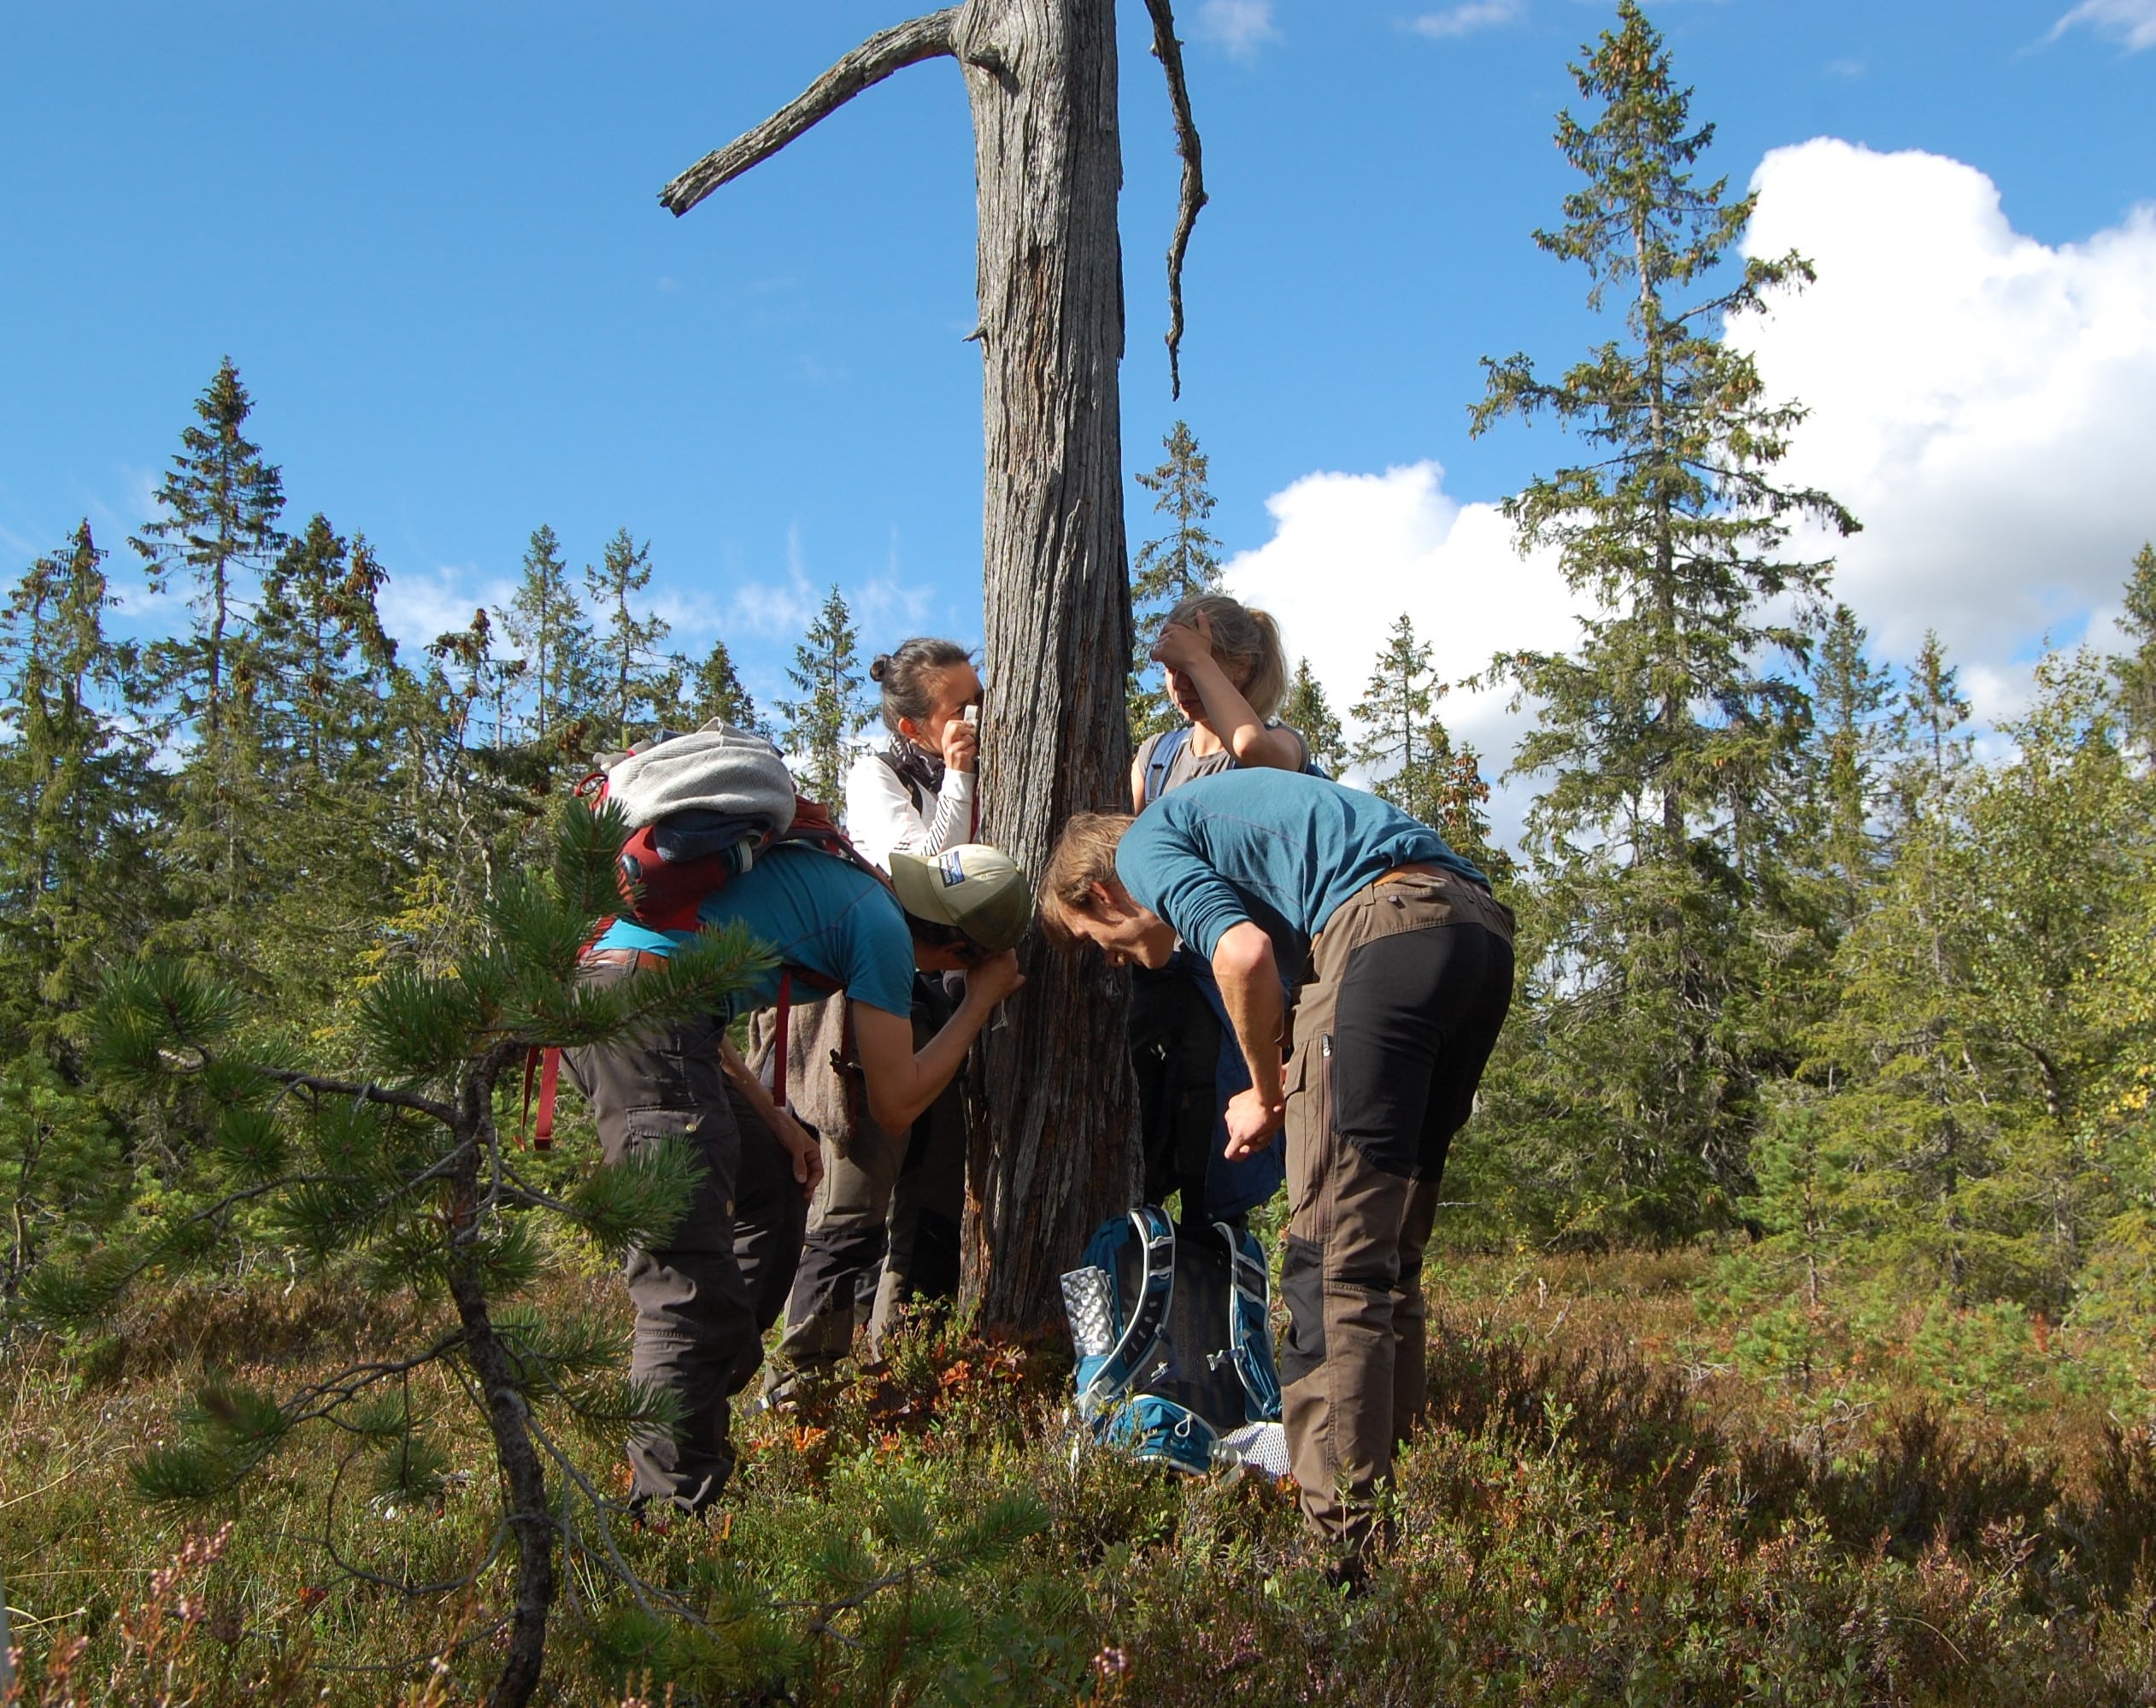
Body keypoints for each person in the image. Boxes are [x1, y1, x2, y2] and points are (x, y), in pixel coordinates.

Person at [1038, 770, 1515, 1575]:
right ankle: (1390, 1517)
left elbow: (1245, 955)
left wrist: (1265, 1091)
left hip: (1384, 932)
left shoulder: (1151, 843)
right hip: (1476, 934)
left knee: (1332, 1270)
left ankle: (1342, 1561)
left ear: (1100, 890)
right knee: (1389, 1258)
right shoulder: (1233, 842)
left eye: (1095, 941)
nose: (1114, 962)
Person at [567, 822, 1029, 1515]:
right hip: (639, 1016)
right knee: (683, 1282)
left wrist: (775, 1118)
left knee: (775, 1189)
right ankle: (668, 1519)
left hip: (650, 1004)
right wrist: (978, 1002)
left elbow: (689, 982)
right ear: (960, 947)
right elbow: (897, 1101)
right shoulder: (880, 930)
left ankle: (700, 1395)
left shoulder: (853, 886)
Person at [767, 639, 982, 1388]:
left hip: (944, 1005)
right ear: (914, 725)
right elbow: (923, 875)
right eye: (961, 708)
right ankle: (801, 1393)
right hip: (872, 1001)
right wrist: (956, 775)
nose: (977, 719)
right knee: (854, 1204)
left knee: (930, 1209)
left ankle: (904, 1380)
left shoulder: (986, 771)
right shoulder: (878, 774)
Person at [1128, 594, 1307, 1228]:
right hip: (1163, 984)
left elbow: (1257, 751)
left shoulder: (1279, 740)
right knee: (1148, 1155)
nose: (1181, 687)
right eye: (1171, 672)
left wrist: (1199, 660)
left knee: (1219, 1179)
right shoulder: (1155, 755)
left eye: (1197, 669)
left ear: (1240, 667)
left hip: (1239, 984)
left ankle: (1228, 1307)